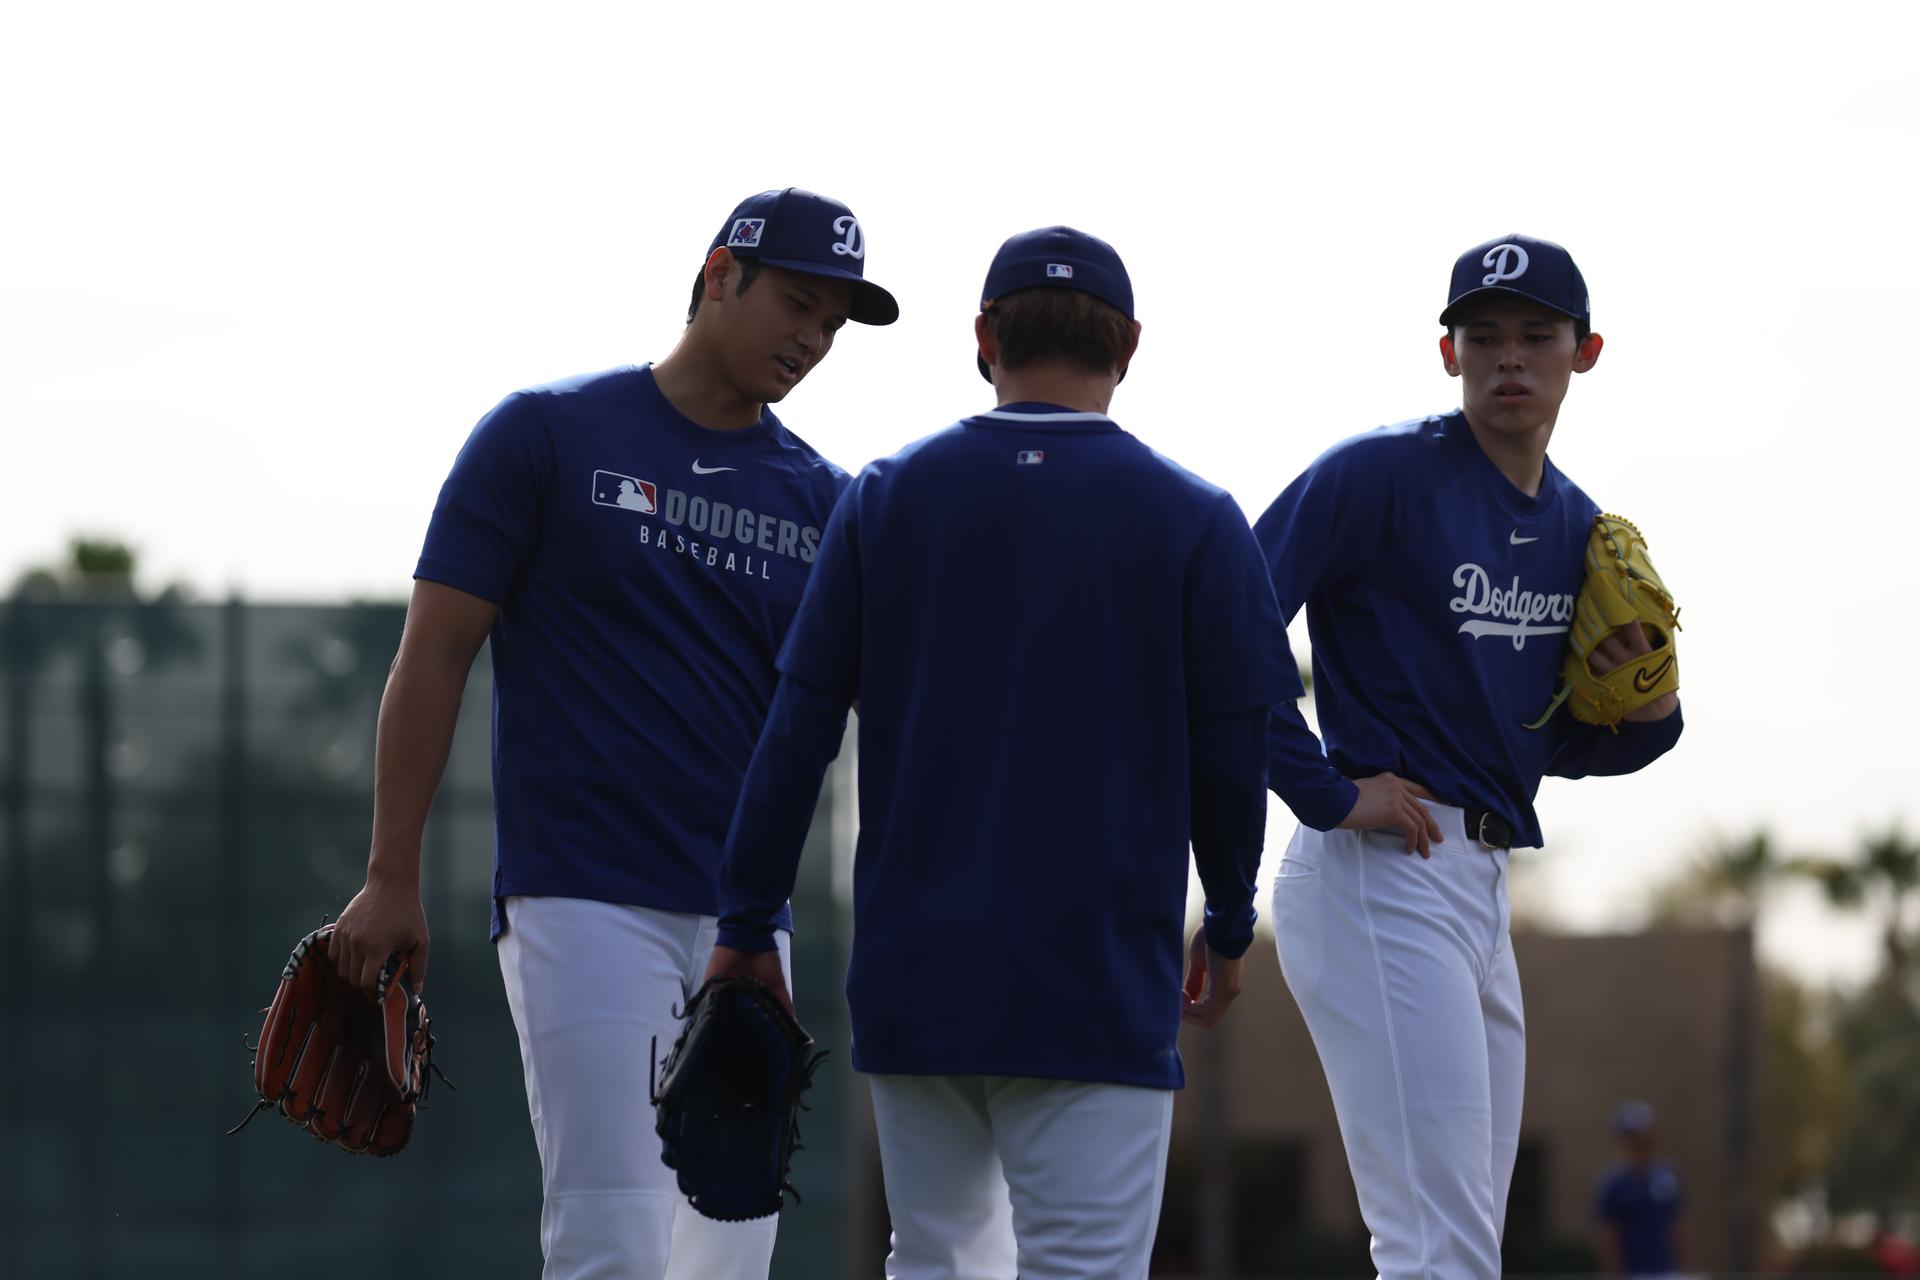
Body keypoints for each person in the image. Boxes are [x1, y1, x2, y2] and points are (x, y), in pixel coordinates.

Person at [327, 187, 897, 1280]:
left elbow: (896, 714)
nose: (814, 338)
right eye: (798, 301)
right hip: (583, 894)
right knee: (613, 1233)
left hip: (746, 921)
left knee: (732, 1248)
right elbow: (435, 650)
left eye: (834, 321)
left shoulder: (829, 501)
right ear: (719, 273)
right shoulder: (547, 433)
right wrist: (389, 872)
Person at [705, 226, 1288, 1280]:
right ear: (1130, 344)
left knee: (932, 1257)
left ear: (984, 337)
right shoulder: (1197, 519)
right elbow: (1231, 752)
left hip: (920, 976)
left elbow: (794, 732)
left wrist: (747, 920)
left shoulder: (885, 496)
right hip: (1096, 977)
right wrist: (1234, 921)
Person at [1254, 235, 1686, 1279]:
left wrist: (1657, 713)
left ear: (1584, 351)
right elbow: (1226, 617)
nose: (1510, 358)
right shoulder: (1380, 474)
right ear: (1447, 351)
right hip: (1380, 870)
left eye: (1537, 335)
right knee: (1442, 1244)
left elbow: (1550, 739)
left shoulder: (1580, 525)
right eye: (1484, 336)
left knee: (1451, 1241)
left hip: (1481, 879)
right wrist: (1317, 786)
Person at [1594, 1102, 1684, 1277]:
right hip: (1633, 1273)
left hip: (1667, 1272)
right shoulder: (1614, 1184)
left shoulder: (1668, 1175)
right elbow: (1610, 1235)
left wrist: (1682, 1268)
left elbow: (1676, 1225)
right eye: (1634, 1134)